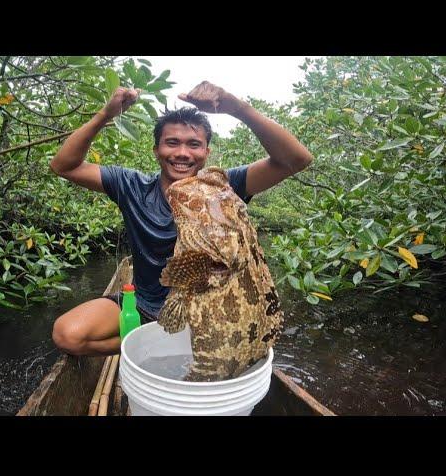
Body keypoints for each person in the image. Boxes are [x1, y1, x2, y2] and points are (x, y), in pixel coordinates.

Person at [49, 80, 313, 356]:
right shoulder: (131, 185)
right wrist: (106, 115)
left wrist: (237, 108)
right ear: (156, 150)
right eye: (172, 143)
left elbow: (296, 160)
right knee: (68, 335)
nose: (182, 153)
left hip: (206, 312)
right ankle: (146, 341)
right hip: (141, 305)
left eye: (194, 144)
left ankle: (166, 342)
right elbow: (63, 165)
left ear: (206, 153)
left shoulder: (223, 187)